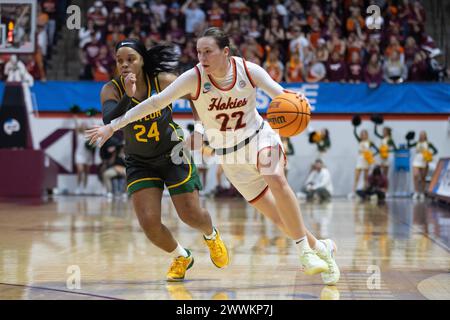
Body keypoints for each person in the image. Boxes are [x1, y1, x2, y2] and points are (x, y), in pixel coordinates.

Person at [86, 28, 340, 285]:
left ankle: (304, 252)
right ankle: (320, 247)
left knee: (274, 176)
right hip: (229, 156)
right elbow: (154, 103)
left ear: (225, 52)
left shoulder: (249, 71)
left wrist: (298, 103)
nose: (202, 57)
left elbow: (282, 96)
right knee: (275, 215)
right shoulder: (192, 78)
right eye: (198, 52)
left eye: (208, 52)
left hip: (258, 139)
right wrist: (112, 126)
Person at [89, 39, 229, 282]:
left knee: (190, 215)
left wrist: (198, 130)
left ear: (142, 60)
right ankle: (181, 256)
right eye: (120, 60)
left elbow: (195, 95)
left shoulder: (162, 80)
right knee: (149, 224)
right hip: (139, 161)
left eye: (130, 59)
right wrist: (128, 96)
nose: (124, 64)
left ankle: (211, 235)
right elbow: (109, 119)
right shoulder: (111, 89)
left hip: (171, 153)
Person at [349, 117, 379, 198]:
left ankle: (364, 192)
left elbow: (377, 150)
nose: (363, 135)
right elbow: (355, 134)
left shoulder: (370, 142)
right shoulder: (360, 141)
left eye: (364, 134)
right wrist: (355, 126)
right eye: (361, 134)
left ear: (367, 135)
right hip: (359, 159)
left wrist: (371, 155)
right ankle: (353, 192)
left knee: (366, 178)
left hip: (366, 160)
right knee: (357, 177)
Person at [407, 131, 438, 200]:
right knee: (415, 176)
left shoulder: (428, 143)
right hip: (416, 160)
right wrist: (408, 140)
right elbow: (409, 146)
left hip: (424, 161)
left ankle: (422, 192)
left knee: (423, 177)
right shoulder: (417, 143)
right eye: (420, 135)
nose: (421, 136)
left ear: (425, 136)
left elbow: (436, 151)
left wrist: (430, 155)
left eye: (423, 135)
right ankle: (416, 192)